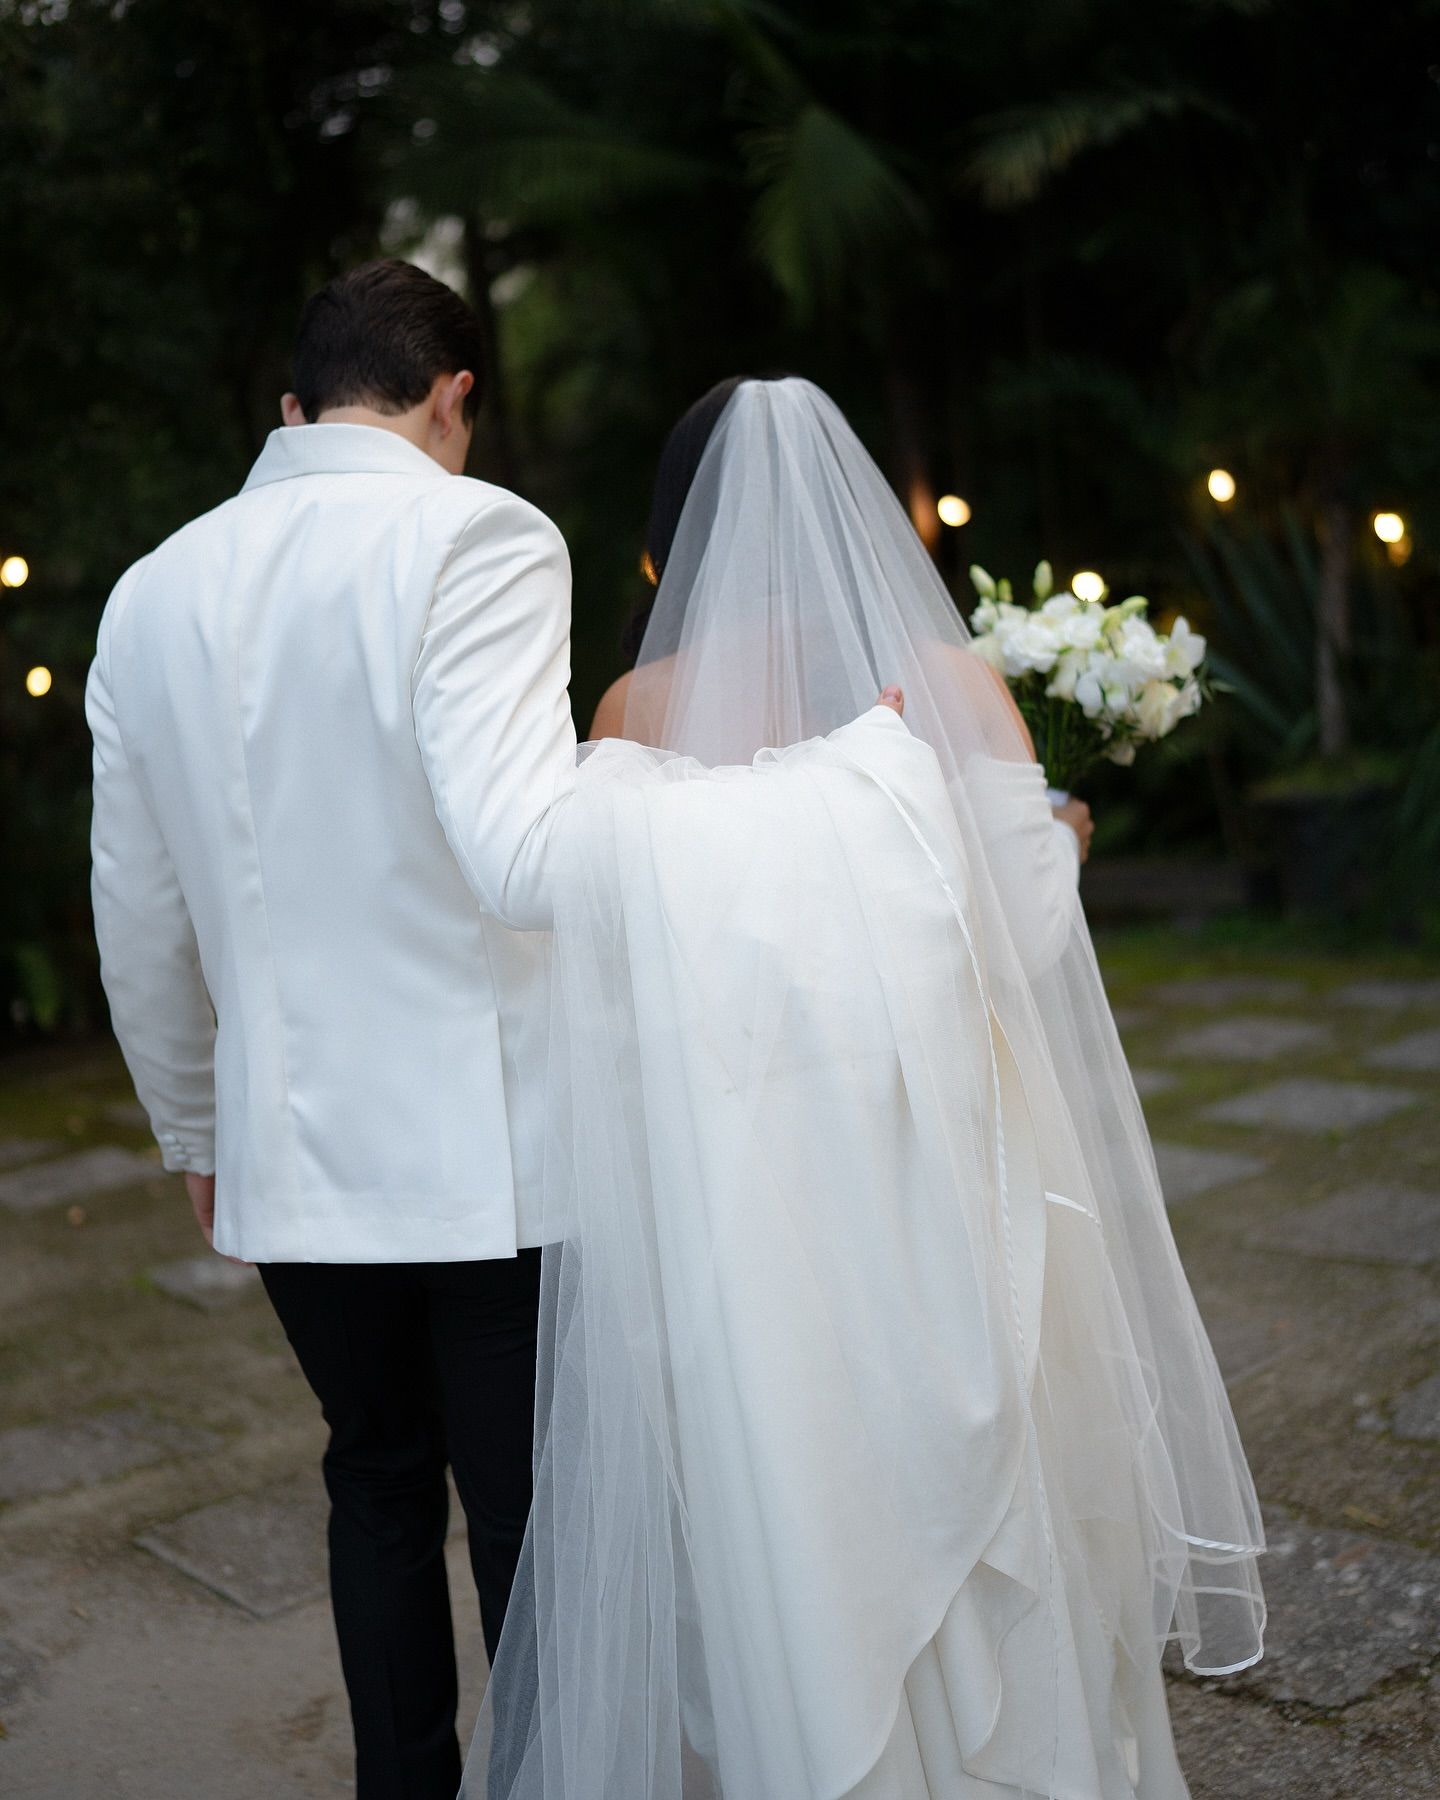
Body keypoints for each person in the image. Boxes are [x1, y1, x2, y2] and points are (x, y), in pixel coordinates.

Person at [466, 378, 1264, 1799]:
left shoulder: (631, 709)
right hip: (937, 1174)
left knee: (785, 1503)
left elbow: (612, 986)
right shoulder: (954, 684)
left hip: (741, 1192)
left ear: (669, 544)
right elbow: (1020, 937)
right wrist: (1059, 835)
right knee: (992, 1490)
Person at [87, 259, 580, 1800]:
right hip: (494, 1150)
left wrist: (193, 1130)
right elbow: (525, 854)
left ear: (292, 406)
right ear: (454, 397)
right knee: (522, 1513)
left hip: (290, 1163)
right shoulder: (482, 532)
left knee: (373, 1479)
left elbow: (140, 919)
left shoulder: (152, 589)